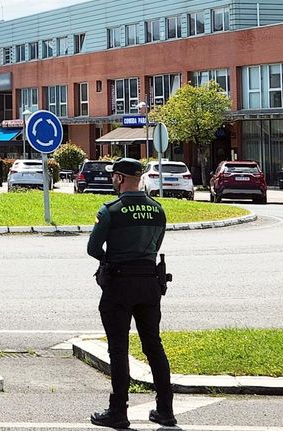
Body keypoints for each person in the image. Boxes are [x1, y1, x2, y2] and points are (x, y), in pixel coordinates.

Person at [86, 158, 175, 429]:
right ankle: (165, 409)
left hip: (119, 284)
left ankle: (118, 411)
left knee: (118, 347)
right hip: (149, 283)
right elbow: (156, 243)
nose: (112, 180)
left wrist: (110, 259)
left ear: (120, 178)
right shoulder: (157, 210)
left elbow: (93, 248)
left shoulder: (111, 210)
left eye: (114, 176)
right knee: (153, 345)